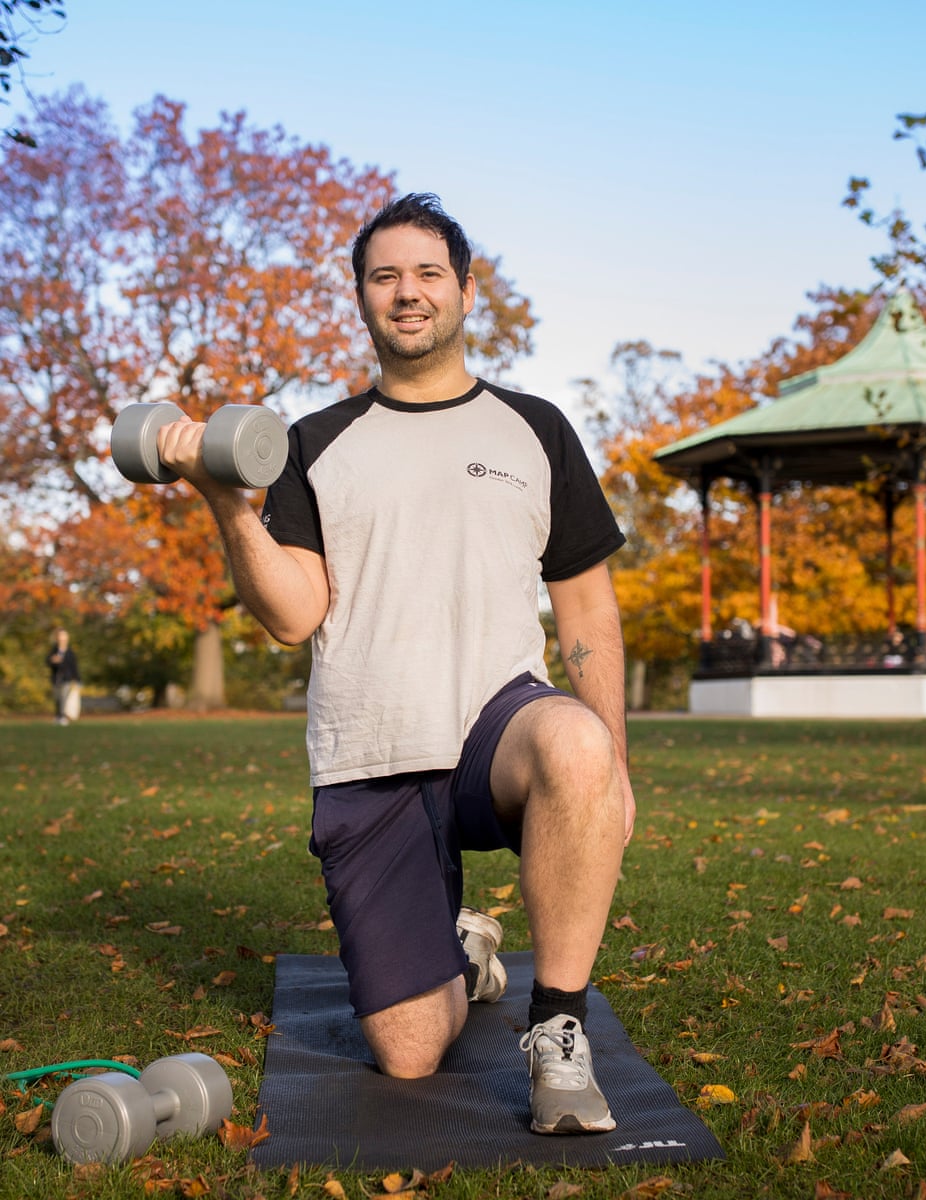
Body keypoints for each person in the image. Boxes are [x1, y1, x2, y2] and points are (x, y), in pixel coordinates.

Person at [154, 193, 634, 1136]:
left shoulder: (534, 430)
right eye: (385, 277)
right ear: (363, 298)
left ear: (463, 288)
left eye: (426, 274)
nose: (407, 294)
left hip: (497, 728)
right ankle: (462, 950)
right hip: (371, 749)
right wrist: (225, 504)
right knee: (411, 1051)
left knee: (577, 748)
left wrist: (612, 754)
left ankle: (558, 1030)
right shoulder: (315, 442)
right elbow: (294, 615)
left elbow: (586, 607)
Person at [45, 628, 81, 726]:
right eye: (61, 635)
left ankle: (63, 717)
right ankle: (58, 716)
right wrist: (53, 661)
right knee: (57, 698)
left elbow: (74, 666)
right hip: (56, 678)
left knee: (64, 697)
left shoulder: (70, 652)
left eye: (64, 635)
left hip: (67, 679)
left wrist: (77, 680)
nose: (63, 638)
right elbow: (48, 661)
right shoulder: (54, 650)